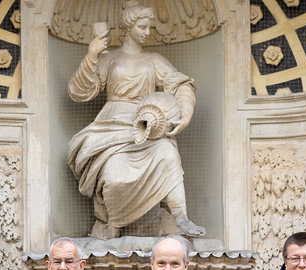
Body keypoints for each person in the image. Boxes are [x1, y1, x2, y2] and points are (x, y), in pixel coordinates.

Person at [67, 0, 205, 239]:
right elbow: (80, 91)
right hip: (112, 127)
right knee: (113, 173)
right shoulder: (109, 59)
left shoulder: (154, 60)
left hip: (146, 126)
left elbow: (180, 84)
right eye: (142, 26)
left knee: (168, 153)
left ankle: (180, 216)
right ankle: (113, 224)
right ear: (128, 27)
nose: (147, 32)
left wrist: (184, 113)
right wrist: (92, 54)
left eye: (149, 27)